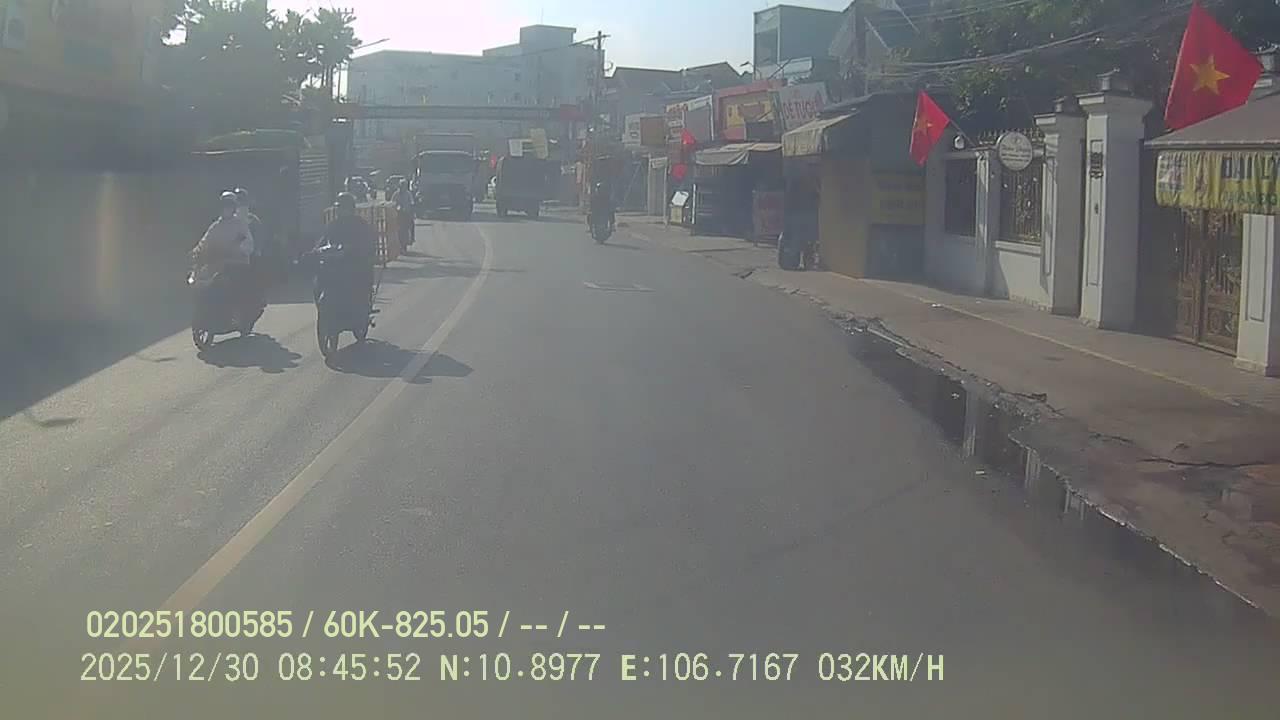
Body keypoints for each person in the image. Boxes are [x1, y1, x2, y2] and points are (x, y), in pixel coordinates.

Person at [191, 191, 258, 317]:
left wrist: (237, 250)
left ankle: (238, 313)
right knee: (203, 281)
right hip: (217, 265)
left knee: (235, 287)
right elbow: (204, 242)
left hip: (237, 265)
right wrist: (196, 252)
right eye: (224, 206)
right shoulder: (216, 226)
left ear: (234, 207)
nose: (226, 209)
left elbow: (248, 243)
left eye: (229, 206)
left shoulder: (240, 224)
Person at [316, 192, 377, 309]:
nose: (341, 211)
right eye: (339, 208)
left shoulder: (361, 225)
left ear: (351, 209)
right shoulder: (333, 225)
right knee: (318, 280)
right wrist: (315, 252)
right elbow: (323, 241)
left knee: (365, 275)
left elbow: (370, 244)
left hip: (355, 266)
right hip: (335, 267)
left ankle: (365, 302)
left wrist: (356, 250)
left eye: (344, 208)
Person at [392, 178, 415, 250]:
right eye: (402, 185)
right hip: (398, 214)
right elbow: (392, 203)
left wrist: (412, 212)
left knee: (411, 225)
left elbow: (412, 203)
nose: (403, 187)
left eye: (404, 185)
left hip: (406, 214)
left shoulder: (408, 194)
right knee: (396, 229)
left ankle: (412, 238)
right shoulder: (396, 194)